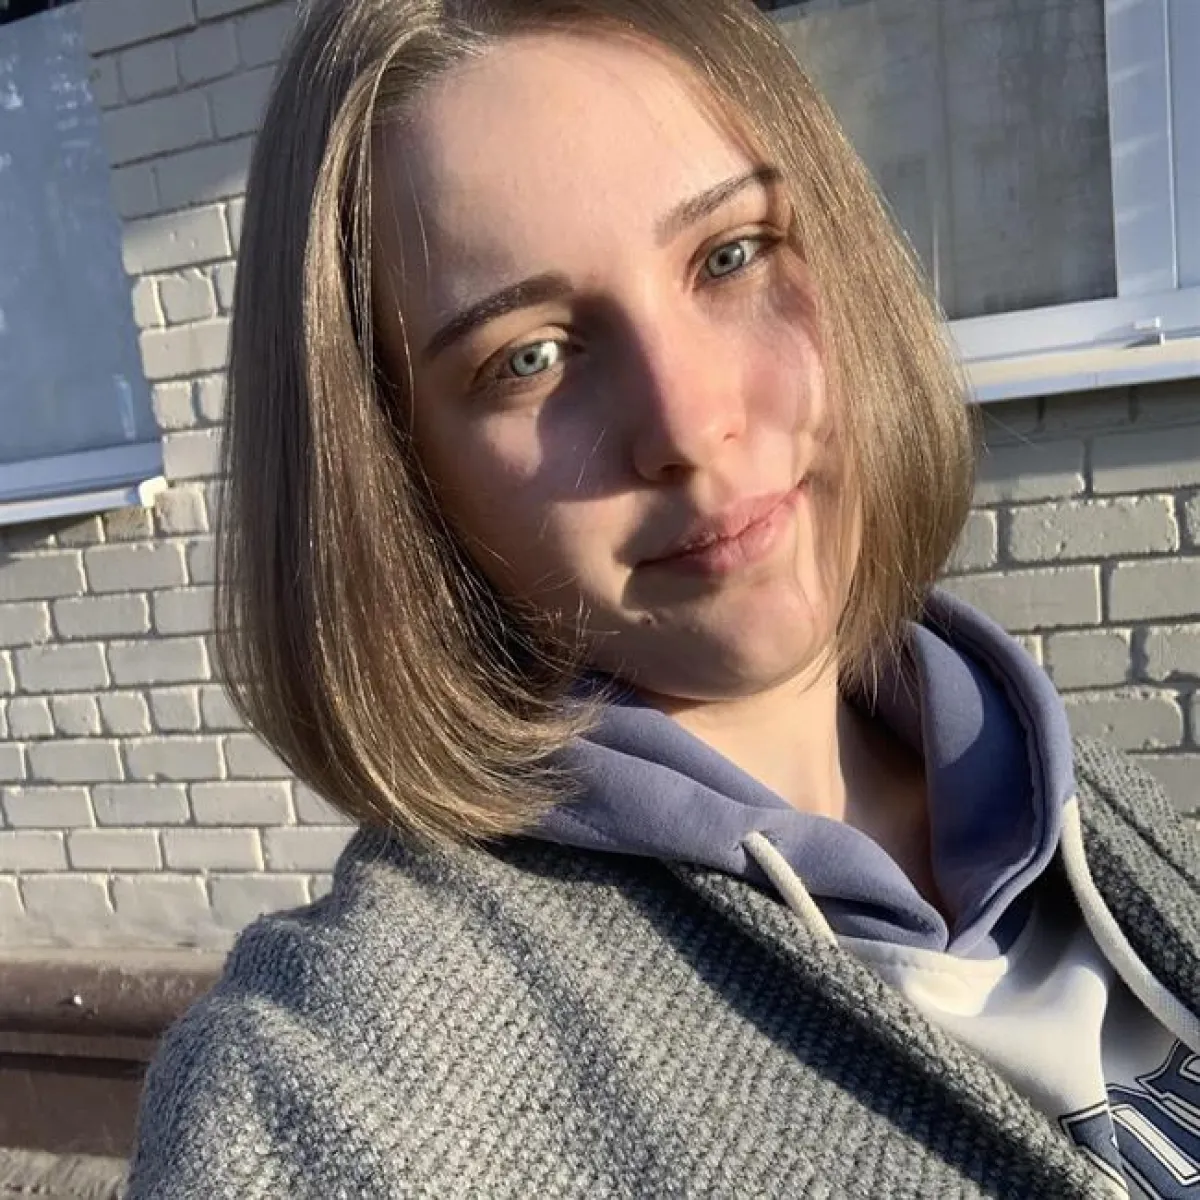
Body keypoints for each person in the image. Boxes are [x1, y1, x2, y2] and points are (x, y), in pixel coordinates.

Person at [125, 0, 1200, 1196]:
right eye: (529, 356)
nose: (689, 424)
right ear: (398, 479)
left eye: (730, 255)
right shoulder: (343, 1073)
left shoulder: (1066, 782)